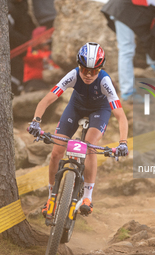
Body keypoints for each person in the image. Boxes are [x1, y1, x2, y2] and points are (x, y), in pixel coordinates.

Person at [28, 42, 129, 216]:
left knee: (89, 146)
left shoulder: (105, 81)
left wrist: (123, 142)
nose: (89, 75)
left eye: (94, 71)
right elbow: (46, 100)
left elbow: (121, 115)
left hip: (100, 110)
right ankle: (52, 197)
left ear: (100, 70)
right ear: (79, 66)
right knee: (56, 152)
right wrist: (36, 121)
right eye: (85, 70)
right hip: (76, 107)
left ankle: (88, 197)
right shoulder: (73, 75)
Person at [23, 26, 59, 92]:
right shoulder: (32, 51)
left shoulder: (49, 52)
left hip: (50, 81)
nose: (48, 39)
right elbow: (31, 60)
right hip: (35, 81)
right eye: (46, 37)